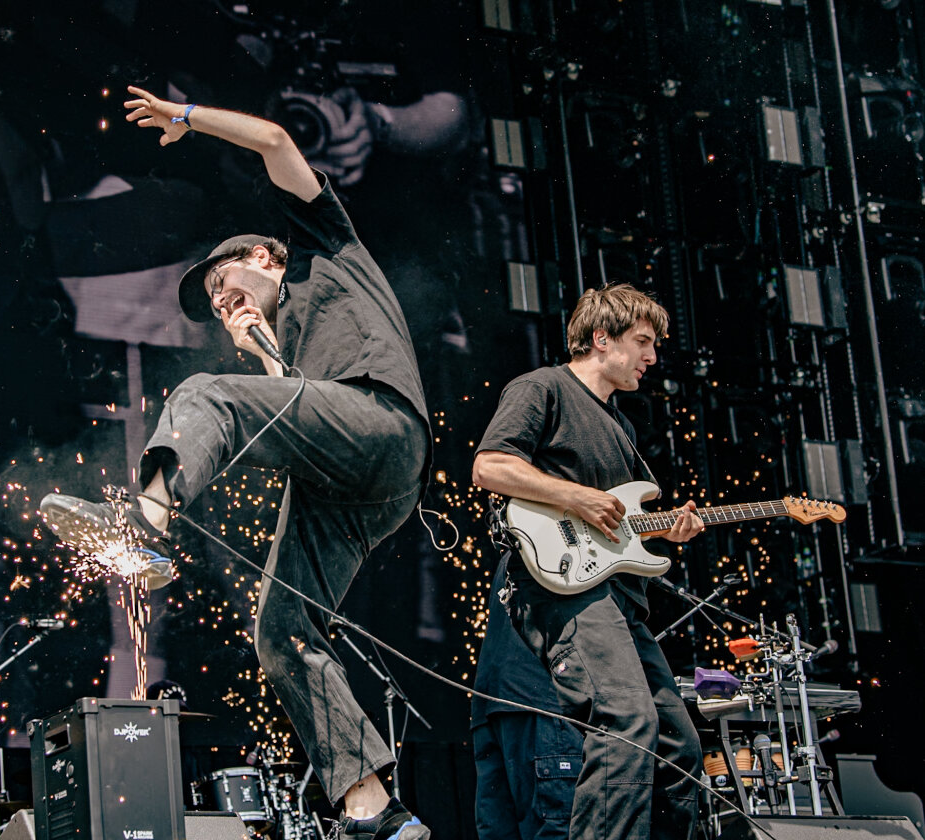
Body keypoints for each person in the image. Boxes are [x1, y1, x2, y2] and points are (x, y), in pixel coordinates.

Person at [39, 86, 431, 840]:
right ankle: (374, 813)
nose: (221, 303)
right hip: (351, 486)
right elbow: (296, 413)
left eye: (222, 285)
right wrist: (261, 347)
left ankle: (142, 525)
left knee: (205, 393)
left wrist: (187, 119)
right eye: (213, 302)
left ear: (262, 257)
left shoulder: (325, 248)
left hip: (382, 425)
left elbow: (278, 142)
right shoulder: (284, 340)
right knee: (280, 633)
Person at [471, 283, 705, 840]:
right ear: (601, 339)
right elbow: (490, 467)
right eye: (643, 341)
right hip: (565, 590)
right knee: (627, 721)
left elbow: (618, 522)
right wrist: (575, 497)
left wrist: (666, 528)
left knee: (680, 746)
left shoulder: (620, 426)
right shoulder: (543, 387)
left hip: (619, 599)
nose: (653, 357)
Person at [471, 558, 584, 840]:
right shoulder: (558, 537)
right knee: (557, 830)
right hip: (542, 700)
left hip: (493, 701)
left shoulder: (515, 537)